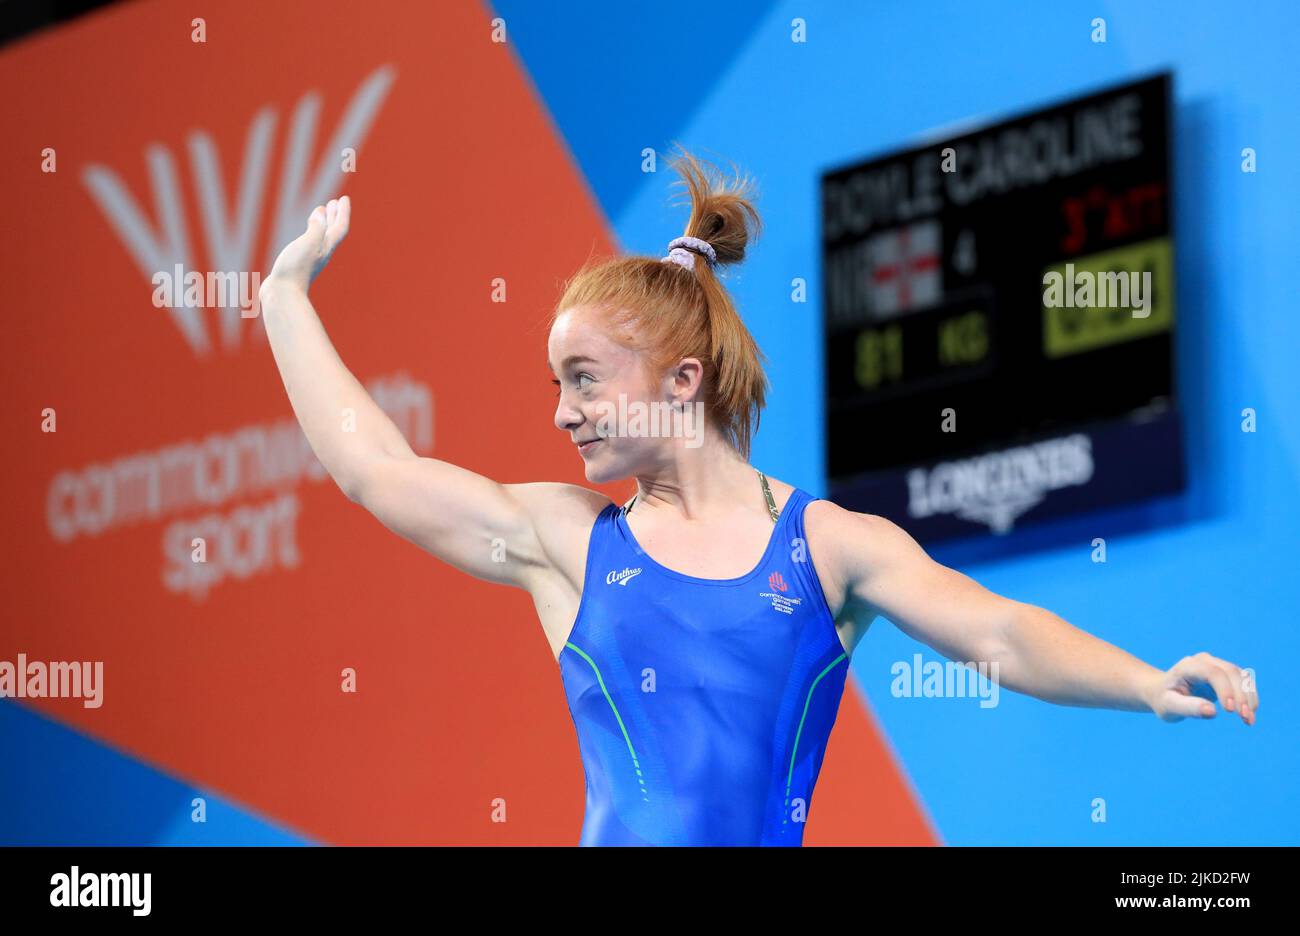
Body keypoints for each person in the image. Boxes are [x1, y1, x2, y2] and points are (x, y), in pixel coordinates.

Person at [257, 149, 1258, 847]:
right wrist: (283, 299)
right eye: (556, 384)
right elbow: (372, 469)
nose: (561, 413)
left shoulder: (828, 548)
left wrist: (1140, 680)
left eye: (584, 378)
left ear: (682, 381)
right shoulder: (563, 539)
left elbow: (996, 633)